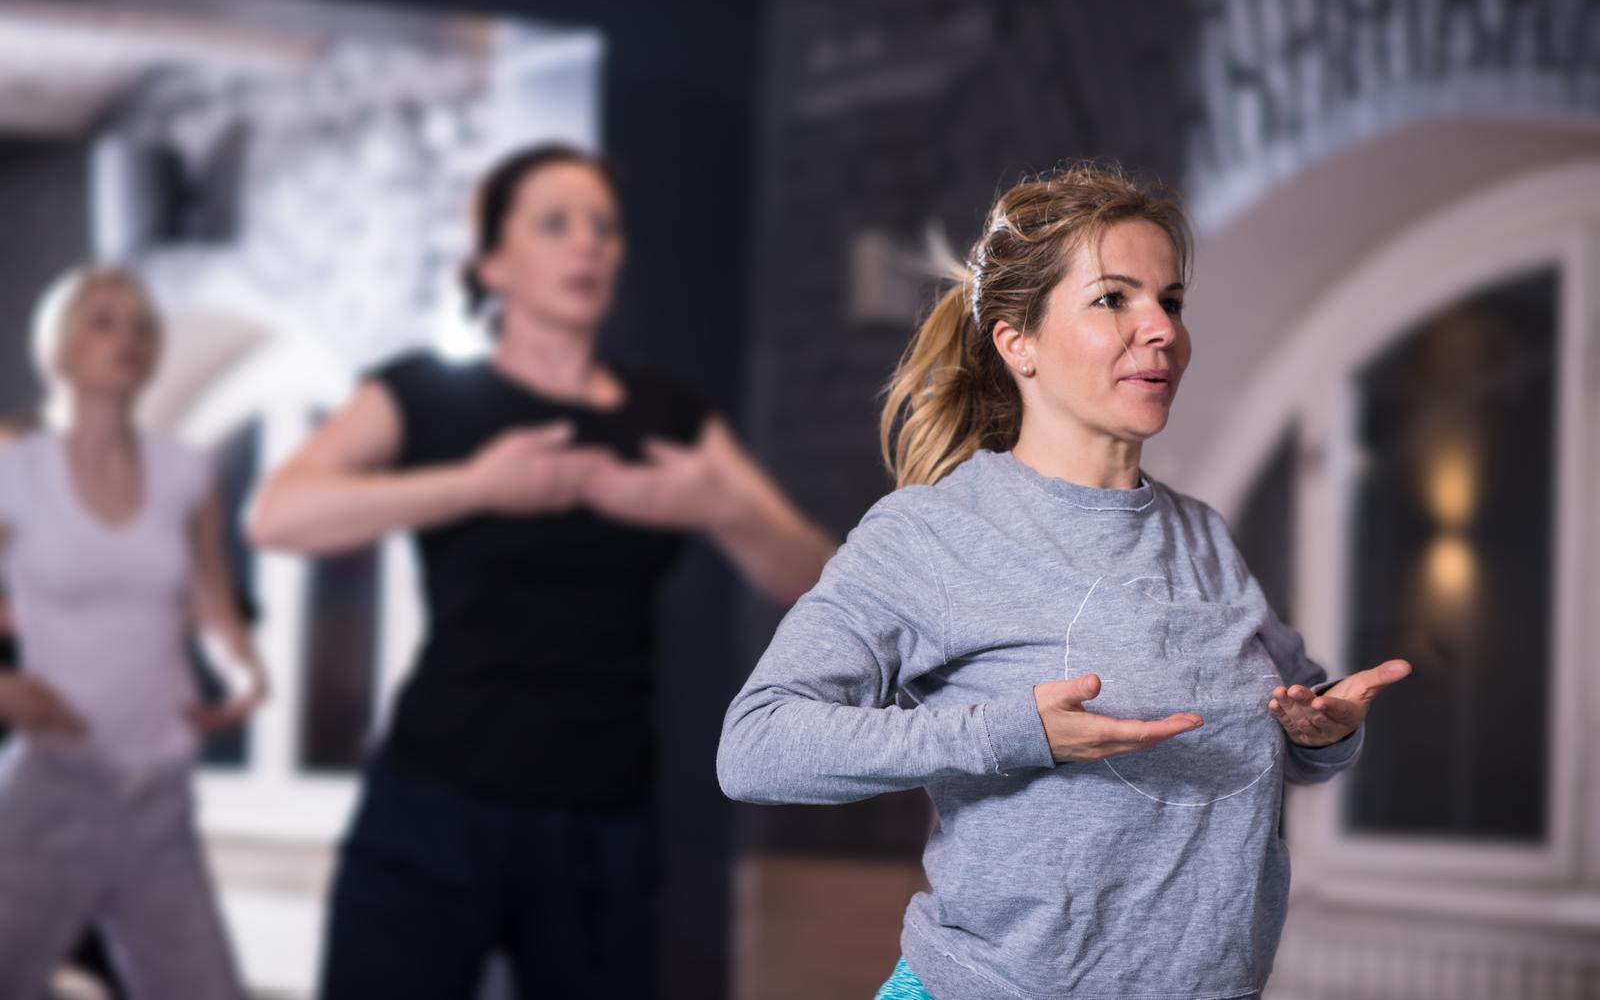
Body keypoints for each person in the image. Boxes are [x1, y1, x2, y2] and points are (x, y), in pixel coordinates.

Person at [717, 163, 1412, 1000]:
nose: (1160, 329)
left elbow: (1282, 740)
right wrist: (1012, 733)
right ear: (1019, 342)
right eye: (1114, 299)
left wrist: (1321, 729)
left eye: (1172, 301)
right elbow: (755, 747)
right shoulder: (931, 533)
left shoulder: (1203, 537)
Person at [248, 143, 834, 999]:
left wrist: (716, 507)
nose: (587, 246)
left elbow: (816, 577)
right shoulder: (426, 396)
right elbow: (277, 513)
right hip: (435, 803)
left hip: (601, 818)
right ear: (493, 264)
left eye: (604, 228)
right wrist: (475, 485)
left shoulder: (666, 416)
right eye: (555, 225)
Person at [0, 266, 266, 999]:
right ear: (56, 347)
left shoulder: (188, 472)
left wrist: (243, 673)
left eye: (143, 325)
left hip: (159, 796)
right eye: (103, 320)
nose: (128, 338)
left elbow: (212, 606)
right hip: (53, 787)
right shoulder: (14, 471)